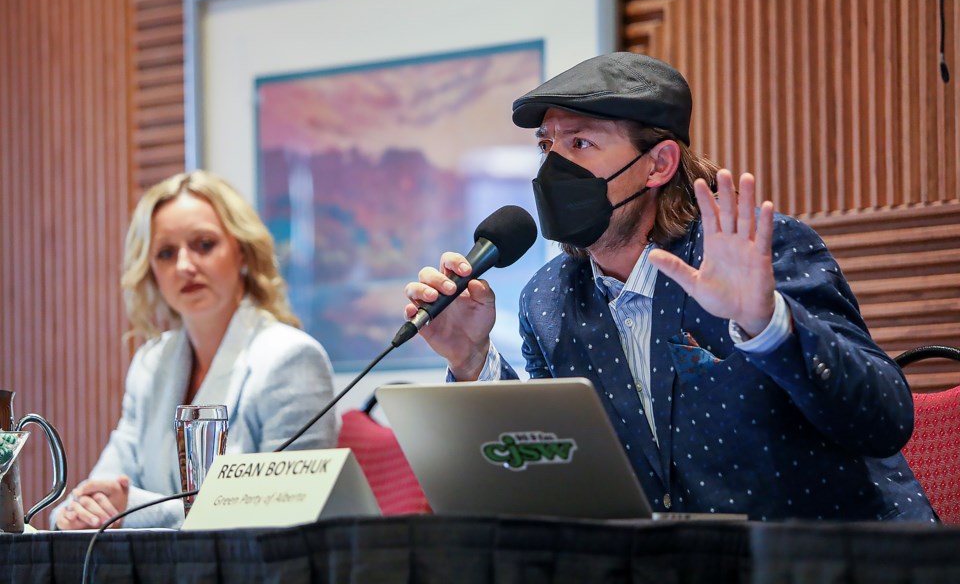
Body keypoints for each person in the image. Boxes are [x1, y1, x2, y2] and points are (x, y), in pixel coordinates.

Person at [404, 52, 937, 522]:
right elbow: (556, 470)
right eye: (547, 147)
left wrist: (767, 324)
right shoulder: (549, 299)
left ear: (658, 164)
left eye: (581, 143)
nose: (553, 169)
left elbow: (885, 417)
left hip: (825, 558)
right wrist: (472, 360)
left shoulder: (755, 252)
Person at [51, 170, 337, 529]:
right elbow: (103, 486)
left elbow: (289, 513)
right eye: (166, 253)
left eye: (204, 245)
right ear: (151, 271)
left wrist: (134, 509)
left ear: (243, 253)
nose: (185, 266)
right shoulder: (150, 364)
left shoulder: (292, 358)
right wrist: (76, 513)